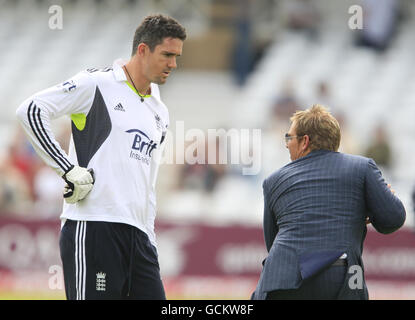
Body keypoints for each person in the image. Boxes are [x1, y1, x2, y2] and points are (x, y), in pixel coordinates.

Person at [16, 14, 186, 300]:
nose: (173, 64)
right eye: (167, 55)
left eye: (177, 56)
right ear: (143, 50)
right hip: (94, 228)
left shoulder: (160, 110)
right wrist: (67, 169)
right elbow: (31, 111)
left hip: (140, 240)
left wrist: (149, 238)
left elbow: (147, 183)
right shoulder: (97, 84)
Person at [252, 105, 406, 300]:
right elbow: (393, 220)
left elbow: (272, 242)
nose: (286, 144)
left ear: (305, 141)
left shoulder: (273, 181)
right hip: (343, 275)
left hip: (281, 277)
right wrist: (367, 210)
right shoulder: (362, 168)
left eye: (289, 137)